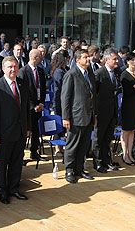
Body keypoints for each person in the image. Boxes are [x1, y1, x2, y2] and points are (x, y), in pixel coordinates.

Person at [0, 56, 30, 204]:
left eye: (15, 67)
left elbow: (25, 109)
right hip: (4, 133)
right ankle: (2, 191)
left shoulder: (23, 84)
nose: (13, 69)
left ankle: (14, 188)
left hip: (20, 131)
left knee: (17, 162)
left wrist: (28, 127)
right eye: (10, 67)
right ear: (3, 69)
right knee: (3, 163)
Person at [61, 49, 97, 183]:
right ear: (77, 60)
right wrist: (65, 117)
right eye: (85, 57)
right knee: (72, 145)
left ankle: (80, 169)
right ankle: (69, 170)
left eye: (88, 57)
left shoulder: (90, 73)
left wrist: (95, 114)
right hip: (76, 116)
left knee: (84, 145)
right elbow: (65, 98)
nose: (88, 59)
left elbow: (93, 96)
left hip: (89, 115)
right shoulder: (71, 74)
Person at [92, 48, 120, 173]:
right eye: (114, 59)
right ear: (107, 60)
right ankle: (97, 163)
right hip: (101, 112)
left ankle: (106, 160)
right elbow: (94, 94)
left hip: (112, 111)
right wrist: (96, 113)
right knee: (98, 138)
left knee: (108, 138)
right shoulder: (99, 73)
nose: (117, 61)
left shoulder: (116, 73)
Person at [18, 49, 47, 161]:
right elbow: (23, 92)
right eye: (40, 56)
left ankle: (34, 152)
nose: (42, 58)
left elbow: (43, 88)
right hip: (28, 108)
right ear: (35, 57)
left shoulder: (40, 70)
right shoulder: (23, 71)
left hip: (39, 106)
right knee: (26, 131)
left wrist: (41, 103)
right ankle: (20, 157)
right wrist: (32, 106)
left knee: (36, 131)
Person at [120, 52, 135, 165]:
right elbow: (127, 92)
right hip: (127, 105)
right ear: (127, 61)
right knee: (126, 130)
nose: (134, 62)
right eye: (132, 60)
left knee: (132, 130)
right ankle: (125, 155)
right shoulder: (124, 74)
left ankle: (130, 154)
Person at [51, 50, 69, 156]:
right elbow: (58, 89)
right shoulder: (58, 71)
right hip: (59, 101)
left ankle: (62, 146)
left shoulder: (66, 69)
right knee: (59, 123)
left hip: (65, 101)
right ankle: (58, 148)